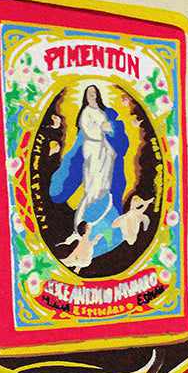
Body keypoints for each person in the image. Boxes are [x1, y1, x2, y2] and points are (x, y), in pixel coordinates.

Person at [48, 85, 129, 256]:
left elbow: (116, 134)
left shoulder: (105, 111)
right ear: (85, 96)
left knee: (105, 184)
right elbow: (89, 131)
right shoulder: (85, 112)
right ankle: (83, 222)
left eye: (94, 92)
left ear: (98, 94)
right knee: (93, 185)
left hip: (106, 151)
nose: (92, 95)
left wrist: (110, 128)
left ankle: (103, 222)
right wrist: (102, 128)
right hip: (92, 149)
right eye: (89, 93)